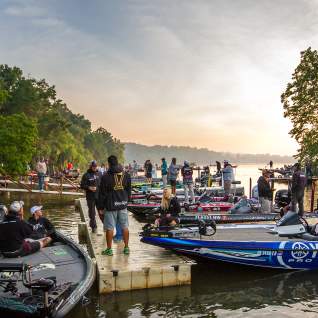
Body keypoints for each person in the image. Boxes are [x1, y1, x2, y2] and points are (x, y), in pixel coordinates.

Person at [97, 155, 131, 256]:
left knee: (110, 228)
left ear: (109, 164)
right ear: (117, 162)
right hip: (123, 205)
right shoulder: (127, 175)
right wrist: (126, 201)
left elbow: (102, 194)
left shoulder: (105, 177)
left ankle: (109, 249)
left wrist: (100, 207)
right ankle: (126, 248)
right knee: (125, 226)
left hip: (111, 205)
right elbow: (129, 191)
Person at [80, 160, 100, 233]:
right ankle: (93, 226)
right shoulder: (86, 175)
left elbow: (103, 185)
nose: (94, 167)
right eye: (93, 166)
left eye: (95, 166)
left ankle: (106, 226)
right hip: (90, 197)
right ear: (90, 166)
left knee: (101, 211)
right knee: (92, 212)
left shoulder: (99, 174)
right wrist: (89, 188)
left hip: (99, 196)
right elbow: (82, 185)